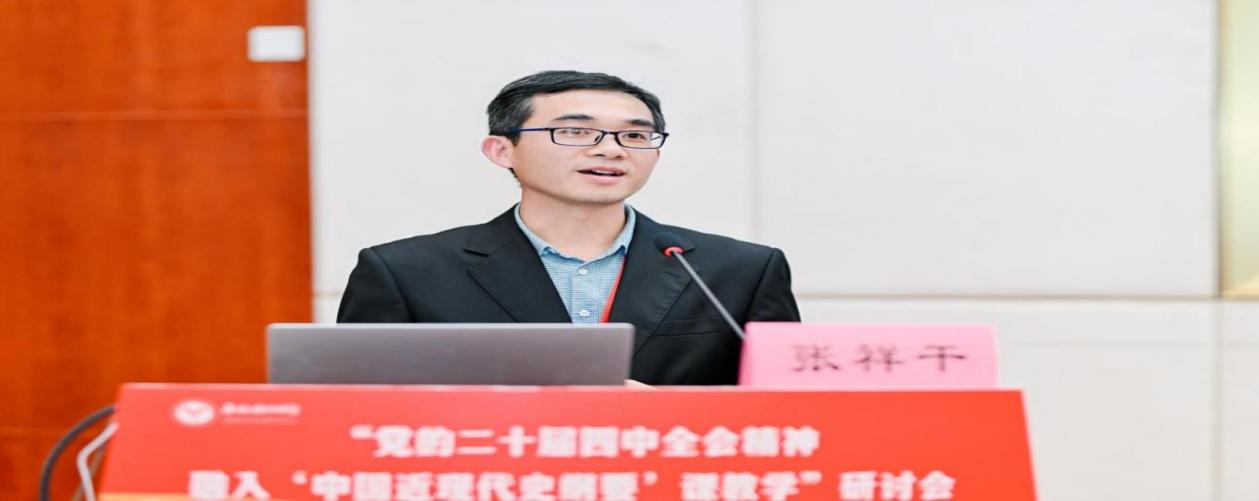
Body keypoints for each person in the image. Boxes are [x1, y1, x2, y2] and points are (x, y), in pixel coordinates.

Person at [337, 70, 800, 385]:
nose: (611, 149)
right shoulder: (406, 272)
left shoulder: (738, 270)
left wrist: (666, 414)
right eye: (575, 132)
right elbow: (357, 412)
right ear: (502, 150)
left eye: (634, 135)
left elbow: (790, 412)